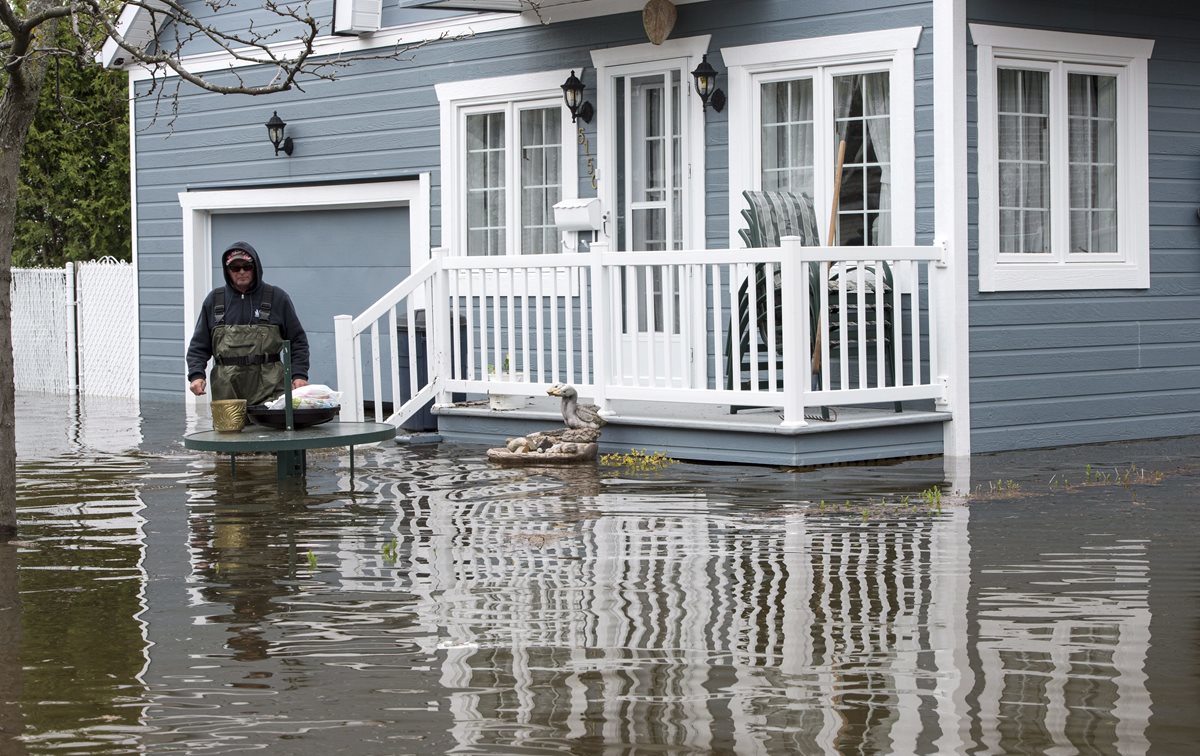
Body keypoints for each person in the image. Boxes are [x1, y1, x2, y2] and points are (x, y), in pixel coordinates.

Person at [186, 241, 310, 406]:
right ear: (228, 271)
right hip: (226, 390)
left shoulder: (277, 298)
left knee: (272, 431)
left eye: (247, 266)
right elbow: (198, 346)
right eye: (235, 268)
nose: (241, 272)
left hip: (271, 389)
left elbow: (298, 341)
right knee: (229, 432)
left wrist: (299, 375)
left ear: (255, 267)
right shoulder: (214, 300)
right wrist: (196, 375)